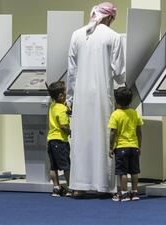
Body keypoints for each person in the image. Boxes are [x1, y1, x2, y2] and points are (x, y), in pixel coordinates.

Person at [67, 2, 125, 196]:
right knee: (102, 137)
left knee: (82, 139)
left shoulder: (76, 35)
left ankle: (79, 186)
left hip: (81, 96)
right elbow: (119, 74)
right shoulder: (113, 37)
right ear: (108, 17)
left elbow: (72, 72)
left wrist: (70, 98)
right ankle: (104, 186)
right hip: (102, 95)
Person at [108, 87, 143, 202]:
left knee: (122, 172)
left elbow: (113, 132)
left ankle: (123, 193)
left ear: (117, 101)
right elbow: (139, 131)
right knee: (134, 171)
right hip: (134, 146)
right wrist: (139, 145)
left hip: (121, 147)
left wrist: (111, 147)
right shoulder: (135, 113)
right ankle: (135, 192)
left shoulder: (115, 114)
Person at [47, 81, 71, 197]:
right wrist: (71, 132)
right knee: (66, 166)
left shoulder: (53, 106)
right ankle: (70, 187)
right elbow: (63, 126)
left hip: (51, 140)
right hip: (60, 141)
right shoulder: (62, 109)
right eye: (65, 92)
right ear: (61, 96)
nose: (67, 94)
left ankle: (56, 188)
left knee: (53, 166)